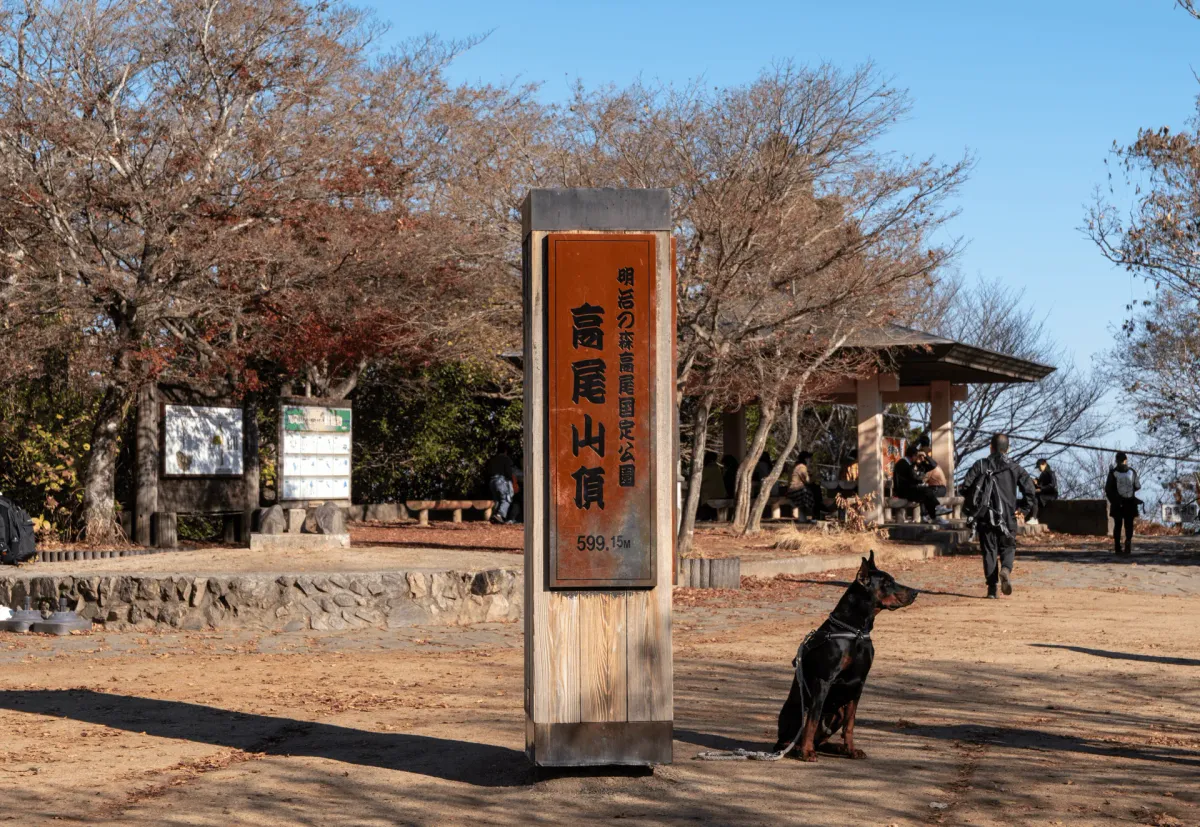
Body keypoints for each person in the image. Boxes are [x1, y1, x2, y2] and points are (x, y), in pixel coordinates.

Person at [961, 434, 1037, 599]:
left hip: (985, 516)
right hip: (1008, 515)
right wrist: (1023, 510)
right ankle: (1005, 570)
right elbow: (1030, 490)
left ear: (991, 447)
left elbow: (965, 487)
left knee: (989, 551)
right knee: (1008, 546)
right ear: (1007, 448)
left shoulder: (980, 465)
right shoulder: (1015, 468)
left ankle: (991, 590)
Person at [892, 443, 949, 523]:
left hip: (908, 490)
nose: (917, 458)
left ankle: (935, 515)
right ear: (913, 456)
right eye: (917, 456)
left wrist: (925, 457)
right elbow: (912, 478)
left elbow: (933, 465)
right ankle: (935, 513)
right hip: (904, 492)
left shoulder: (907, 463)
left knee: (926, 493)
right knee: (926, 492)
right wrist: (920, 482)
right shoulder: (903, 464)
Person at [1105, 451, 1141, 556]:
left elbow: (1108, 489)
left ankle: (1117, 546)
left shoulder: (1113, 473)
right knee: (1128, 525)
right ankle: (1128, 543)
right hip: (1129, 502)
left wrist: (1114, 501)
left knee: (1118, 524)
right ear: (1126, 460)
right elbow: (1138, 486)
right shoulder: (1132, 472)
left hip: (1118, 502)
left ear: (1116, 460)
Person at [787, 451, 824, 521]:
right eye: (810, 458)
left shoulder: (795, 466)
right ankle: (817, 513)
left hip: (791, 490)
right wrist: (815, 476)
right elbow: (808, 481)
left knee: (815, 489)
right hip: (796, 491)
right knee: (816, 490)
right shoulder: (801, 467)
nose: (811, 460)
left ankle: (817, 512)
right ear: (806, 459)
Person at [485, 450, 518, 524]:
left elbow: (488, 470)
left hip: (492, 481)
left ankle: (494, 517)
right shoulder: (505, 458)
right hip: (501, 480)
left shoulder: (493, 459)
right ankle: (499, 515)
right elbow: (508, 471)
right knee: (506, 499)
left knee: (497, 500)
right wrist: (511, 480)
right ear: (505, 451)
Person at [698, 452, 727, 520]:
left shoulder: (708, 469)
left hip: (709, 497)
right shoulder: (717, 469)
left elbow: (699, 480)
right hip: (719, 495)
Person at [1031, 458, 1058, 525]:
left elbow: (1052, 485)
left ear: (1044, 464)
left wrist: (1041, 489)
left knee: (1036, 498)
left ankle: (1034, 518)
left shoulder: (1050, 473)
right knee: (1033, 497)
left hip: (1051, 494)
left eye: (1039, 467)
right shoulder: (1042, 474)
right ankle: (1034, 517)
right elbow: (1039, 485)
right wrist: (1035, 483)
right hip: (1044, 493)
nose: (1039, 469)